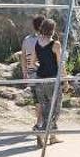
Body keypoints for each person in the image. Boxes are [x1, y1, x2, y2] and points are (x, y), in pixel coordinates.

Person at [33, 18, 64, 147]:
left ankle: (52, 136)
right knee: (55, 108)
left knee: (45, 107)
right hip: (52, 80)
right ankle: (42, 133)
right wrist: (66, 81)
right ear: (52, 30)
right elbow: (60, 65)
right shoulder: (55, 45)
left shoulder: (37, 43)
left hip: (39, 79)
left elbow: (33, 62)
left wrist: (42, 66)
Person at [21, 14, 45, 130]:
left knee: (37, 100)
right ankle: (40, 123)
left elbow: (23, 58)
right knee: (44, 100)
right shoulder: (44, 40)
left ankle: (39, 122)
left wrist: (24, 73)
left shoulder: (27, 40)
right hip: (43, 73)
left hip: (31, 74)